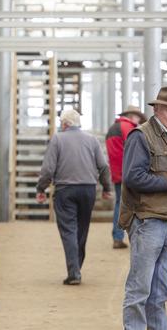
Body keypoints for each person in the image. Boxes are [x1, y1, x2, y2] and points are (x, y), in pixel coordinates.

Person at [119, 86, 167, 329]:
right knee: (140, 289)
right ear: (156, 109)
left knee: (160, 290)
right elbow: (133, 177)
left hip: (165, 219)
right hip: (146, 219)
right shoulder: (140, 136)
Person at [36, 109, 112, 285]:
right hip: (88, 190)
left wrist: (41, 188)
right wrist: (107, 187)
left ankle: (74, 272)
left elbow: (48, 169)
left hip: (65, 190)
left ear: (64, 124)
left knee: (69, 230)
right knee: (82, 230)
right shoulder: (92, 140)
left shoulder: (57, 139)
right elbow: (103, 166)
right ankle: (76, 267)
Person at [105, 105, 146, 249]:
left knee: (119, 204)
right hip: (129, 173)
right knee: (134, 205)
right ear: (132, 116)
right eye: (138, 116)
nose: (139, 119)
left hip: (117, 173)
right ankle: (132, 237)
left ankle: (117, 236)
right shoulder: (128, 128)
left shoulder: (113, 128)